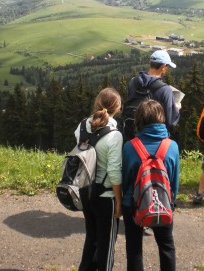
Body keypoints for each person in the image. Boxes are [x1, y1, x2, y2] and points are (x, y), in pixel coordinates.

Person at [122, 100, 180, 271]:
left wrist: (126, 202)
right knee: (166, 246)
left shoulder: (130, 146)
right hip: (163, 202)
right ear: (161, 117)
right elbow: (174, 181)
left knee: (134, 247)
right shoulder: (172, 146)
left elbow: (126, 180)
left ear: (138, 119)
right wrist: (172, 201)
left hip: (134, 204)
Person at [77, 87, 123, 271]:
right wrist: (119, 202)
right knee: (107, 244)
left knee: (92, 237)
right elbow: (114, 172)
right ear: (117, 108)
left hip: (85, 188)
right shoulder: (114, 135)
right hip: (105, 195)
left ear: (97, 103)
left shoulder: (81, 126)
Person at [121, 50, 180, 142]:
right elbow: (170, 121)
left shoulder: (133, 81)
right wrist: (176, 108)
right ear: (163, 67)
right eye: (167, 66)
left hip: (130, 136)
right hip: (152, 140)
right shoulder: (165, 90)